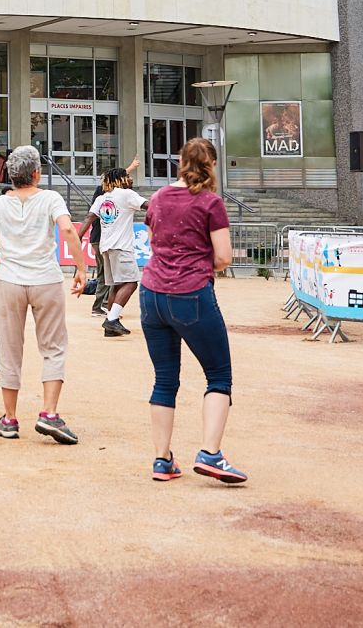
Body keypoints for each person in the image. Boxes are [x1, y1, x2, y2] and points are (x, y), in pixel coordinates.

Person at [140, 137, 243, 485]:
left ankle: (162, 459)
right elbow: (224, 257)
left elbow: (154, 236)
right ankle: (211, 453)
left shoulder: (158, 197)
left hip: (152, 293)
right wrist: (200, 262)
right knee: (218, 376)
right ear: (211, 165)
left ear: (180, 162)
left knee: (165, 379)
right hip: (191, 294)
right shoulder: (212, 203)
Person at [0, 144, 86, 443]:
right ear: (37, 173)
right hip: (45, 279)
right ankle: (49, 413)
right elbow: (67, 231)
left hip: (11, 279)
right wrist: (80, 267)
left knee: (10, 347)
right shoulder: (50, 198)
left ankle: (10, 418)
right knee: (53, 346)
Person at [89, 159, 146, 337]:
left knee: (115, 285)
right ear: (121, 179)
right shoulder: (126, 194)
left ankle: (110, 327)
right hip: (122, 247)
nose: (131, 179)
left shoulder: (102, 198)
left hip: (106, 247)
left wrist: (75, 237)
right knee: (131, 283)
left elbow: (88, 219)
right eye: (128, 176)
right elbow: (149, 206)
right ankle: (112, 319)